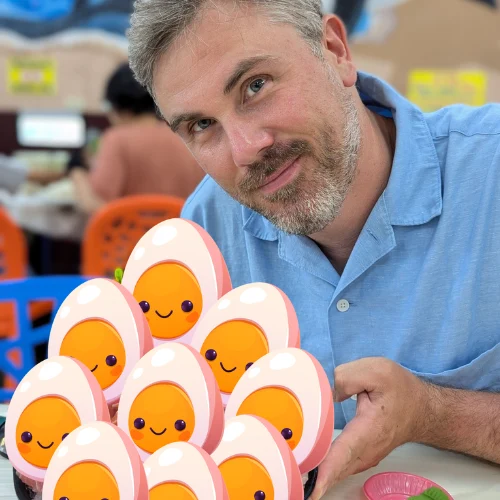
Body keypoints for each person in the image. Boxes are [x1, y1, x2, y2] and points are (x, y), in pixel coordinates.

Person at [127, 0, 500, 497]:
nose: (244, 149)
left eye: (255, 86)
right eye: (201, 125)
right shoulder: (206, 232)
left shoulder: (490, 173)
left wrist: (433, 413)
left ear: (335, 50)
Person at [70, 62, 205, 215]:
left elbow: (95, 203)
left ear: (119, 108)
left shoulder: (117, 139)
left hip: (130, 238)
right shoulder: (184, 136)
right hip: (182, 235)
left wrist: (77, 172)